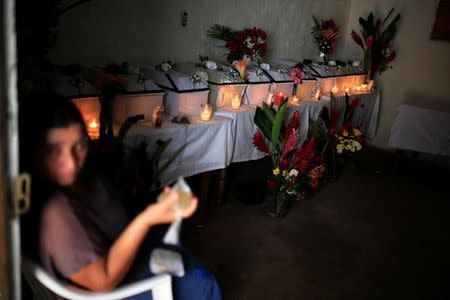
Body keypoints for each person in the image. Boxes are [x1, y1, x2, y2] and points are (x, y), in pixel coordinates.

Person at [20, 94, 221, 300]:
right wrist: (148, 219)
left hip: (124, 250)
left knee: (177, 253)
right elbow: (104, 280)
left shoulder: (81, 177)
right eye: (54, 151)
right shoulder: (56, 213)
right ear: (32, 150)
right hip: (114, 286)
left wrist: (158, 208)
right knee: (201, 281)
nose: (71, 163)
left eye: (79, 145)